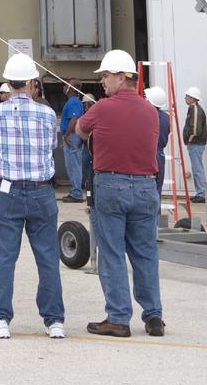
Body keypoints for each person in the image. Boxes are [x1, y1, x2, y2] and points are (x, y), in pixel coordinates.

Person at [73, 49, 164, 337]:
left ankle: (118, 317)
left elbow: (80, 131)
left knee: (112, 253)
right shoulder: (151, 111)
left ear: (121, 78)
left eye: (105, 76)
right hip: (146, 186)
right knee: (145, 253)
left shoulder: (102, 107)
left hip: (111, 185)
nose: (102, 81)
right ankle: (153, 317)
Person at [0, 51, 65, 340]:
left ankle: (1, 319)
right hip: (42, 192)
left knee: (5, 257)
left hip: (8, 191)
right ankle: (54, 322)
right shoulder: (46, 113)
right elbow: (53, 143)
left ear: (7, 81)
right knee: (48, 258)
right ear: (32, 82)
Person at [60, 81, 85, 202]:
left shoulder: (73, 102)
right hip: (73, 135)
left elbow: (74, 119)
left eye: (66, 85)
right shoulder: (75, 101)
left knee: (73, 165)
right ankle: (75, 191)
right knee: (73, 164)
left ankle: (76, 193)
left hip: (72, 135)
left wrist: (66, 135)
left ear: (70, 88)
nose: (64, 87)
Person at [144, 87, 171, 199]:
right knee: (157, 188)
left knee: (145, 189)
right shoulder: (166, 117)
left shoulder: (145, 115)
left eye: (146, 98)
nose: (144, 99)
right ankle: (156, 214)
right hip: (159, 155)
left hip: (147, 154)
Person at [183, 87, 206, 202]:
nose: (185, 98)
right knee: (197, 168)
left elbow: (195, 130)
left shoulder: (195, 109)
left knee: (197, 168)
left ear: (192, 98)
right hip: (196, 143)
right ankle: (200, 193)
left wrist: (190, 140)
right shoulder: (193, 108)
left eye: (187, 96)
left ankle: (201, 193)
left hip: (196, 143)